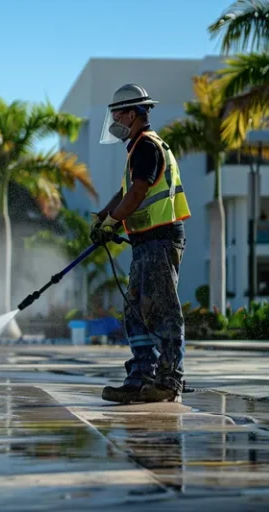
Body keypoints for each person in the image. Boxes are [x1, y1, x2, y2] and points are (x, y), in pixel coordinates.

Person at [89, 84, 191, 404]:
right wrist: (104, 216)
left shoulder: (147, 146)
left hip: (160, 239)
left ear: (132, 114)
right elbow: (125, 193)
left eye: (118, 114)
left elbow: (137, 194)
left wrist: (112, 223)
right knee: (135, 312)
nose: (115, 120)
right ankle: (141, 375)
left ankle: (169, 379)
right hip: (146, 241)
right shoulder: (136, 148)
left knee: (162, 311)